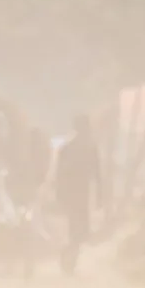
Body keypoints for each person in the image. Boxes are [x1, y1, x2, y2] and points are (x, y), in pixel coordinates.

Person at [54, 114, 103, 275]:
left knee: (79, 229)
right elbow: (60, 173)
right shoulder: (71, 147)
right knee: (76, 229)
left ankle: (69, 258)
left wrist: (100, 194)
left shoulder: (81, 147)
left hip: (80, 193)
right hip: (74, 193)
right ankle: (68, 258)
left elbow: (97, 173)